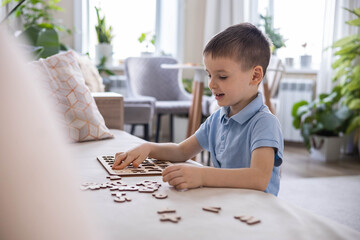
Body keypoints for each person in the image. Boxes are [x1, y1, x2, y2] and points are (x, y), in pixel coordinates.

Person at [113, 23, 284, 196]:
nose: (211, 84)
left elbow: (258, 178)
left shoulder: (265, 122)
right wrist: (148, 148)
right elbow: (181, 151)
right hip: (228, 203)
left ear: (255, 76)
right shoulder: (217, 118)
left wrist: (203, 175)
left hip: (258, 211)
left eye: (222, 76)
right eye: (209, 75)